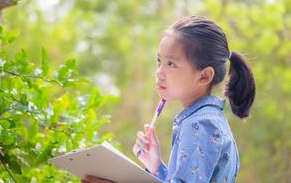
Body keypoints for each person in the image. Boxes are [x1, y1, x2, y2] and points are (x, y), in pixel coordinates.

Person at [81, 15, 255, 183]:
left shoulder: (199, 125)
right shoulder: (207, 120)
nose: (159, 72)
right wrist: (156, 166)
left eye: (171, 64)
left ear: (204, 76)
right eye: (159, 61)